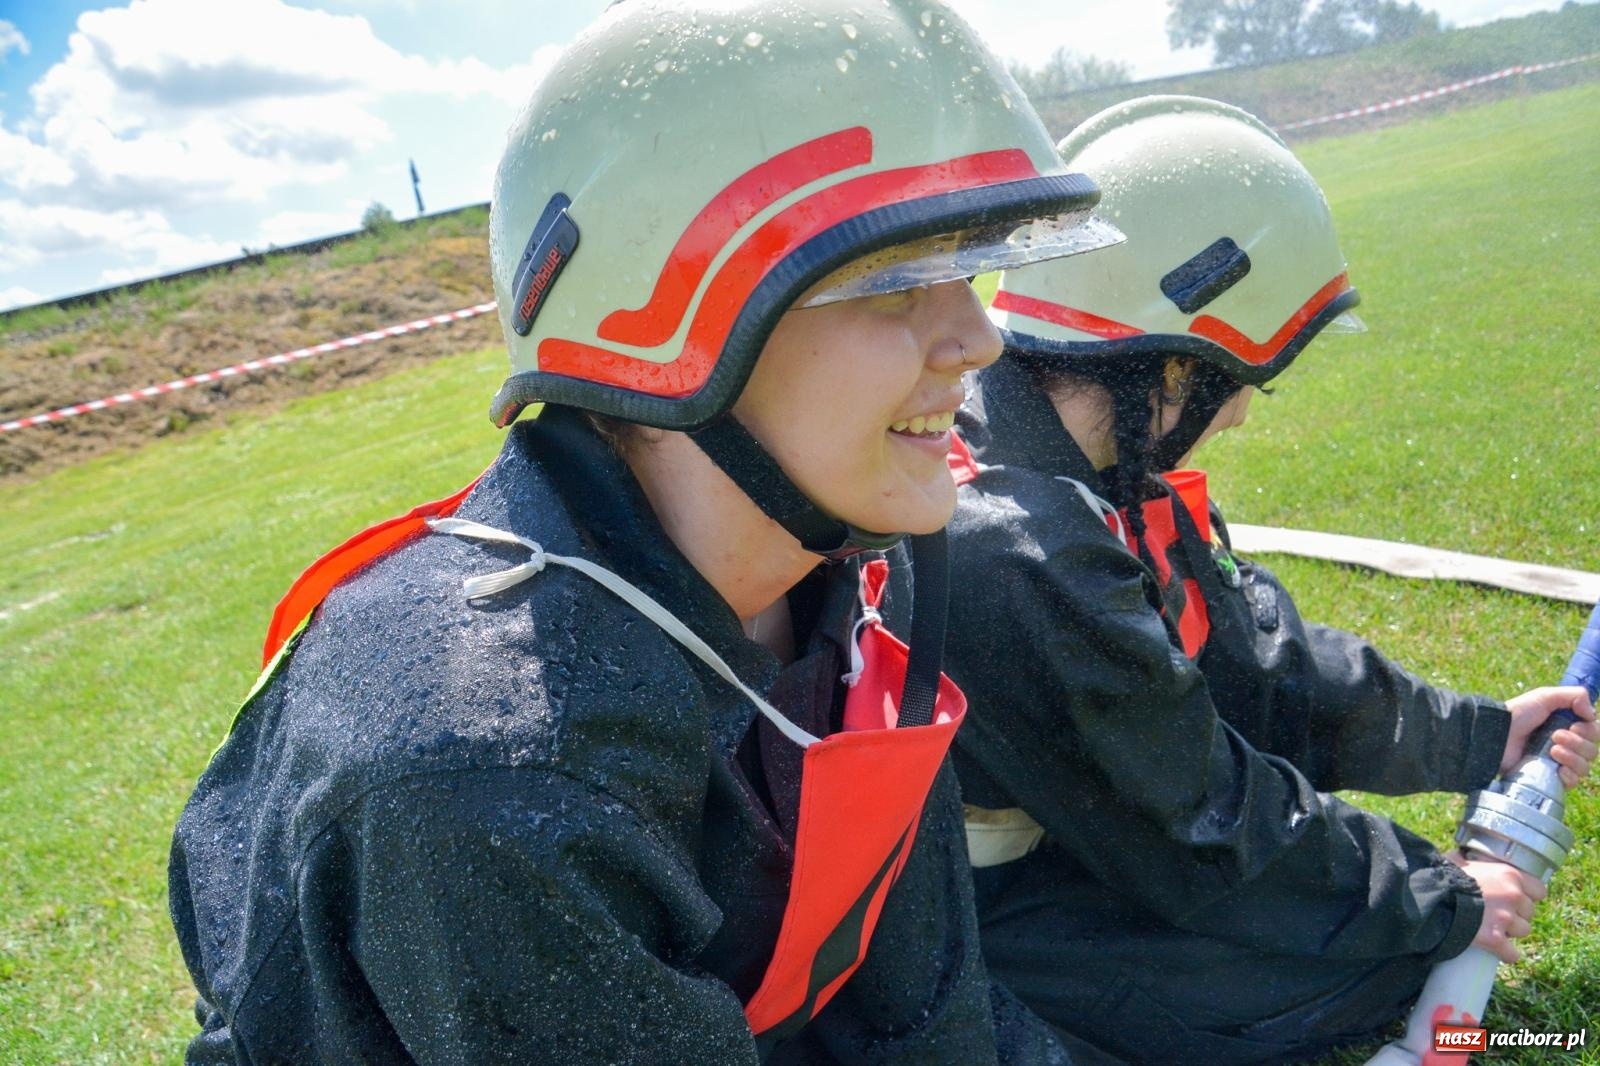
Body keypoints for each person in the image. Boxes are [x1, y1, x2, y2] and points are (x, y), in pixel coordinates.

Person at [166, 2, 1121, 1062]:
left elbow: (923, 1005)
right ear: (660, 321)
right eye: (897, 277)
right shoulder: (495, 770)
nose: (981, 335)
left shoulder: (842, 563)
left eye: (969, 267)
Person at [934, 96, 1599, 1064]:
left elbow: (1260, 666)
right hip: (962, 933)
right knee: (1348, 968)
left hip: (1043, 862)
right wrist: (1440, 899)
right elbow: (1201, 823)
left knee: (1350, 939)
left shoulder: (1076, 469)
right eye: (1238, 379)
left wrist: (1480, 735)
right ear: (1168, 364)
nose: (1239, 414)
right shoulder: (1021, 552)